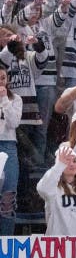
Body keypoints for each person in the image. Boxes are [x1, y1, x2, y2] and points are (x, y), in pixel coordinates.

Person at [0, 66, 21, 234]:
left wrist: (4, 100)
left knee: (8, 197)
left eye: (2, 78)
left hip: (8, 146)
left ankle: (5, 243)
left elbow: (13, 123)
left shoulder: (16, 99)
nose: (1, 81)